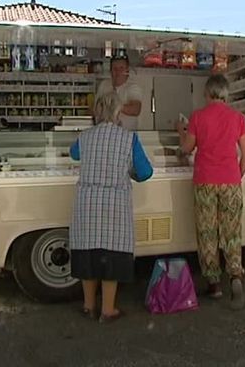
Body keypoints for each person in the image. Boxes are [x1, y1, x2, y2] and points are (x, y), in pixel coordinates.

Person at [69, 91, 153, 322]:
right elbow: (146, 172)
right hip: (114, 206)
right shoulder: (129, 138)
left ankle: (88, 306)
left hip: (87, 204)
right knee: (110, 256)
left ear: (97, 111)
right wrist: (130, 171)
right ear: (118, 112)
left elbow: (74, 154)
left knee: (88, 254)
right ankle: (107, 310)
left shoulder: (85, 137)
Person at [176, 74, 245, 310]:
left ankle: (214, 283)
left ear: (207, 93)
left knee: (208, 232)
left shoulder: (198, 116)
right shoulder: (237, 118)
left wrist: (181, 131)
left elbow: (186, 148)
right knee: (232, 232)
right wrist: (234, 176)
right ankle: (236, 276)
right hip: (230, 181)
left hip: (205, 181)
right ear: (226, 93)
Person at [95, 55, 142, 130]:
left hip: (126, 135)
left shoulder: (132, 87)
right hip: (104, 133)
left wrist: (118, 107)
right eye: (115, 69)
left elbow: (136, 110)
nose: (118, 72)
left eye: (121, 68)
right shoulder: (104, 85)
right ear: (110, 71)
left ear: (127, 70)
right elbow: (95, 108)